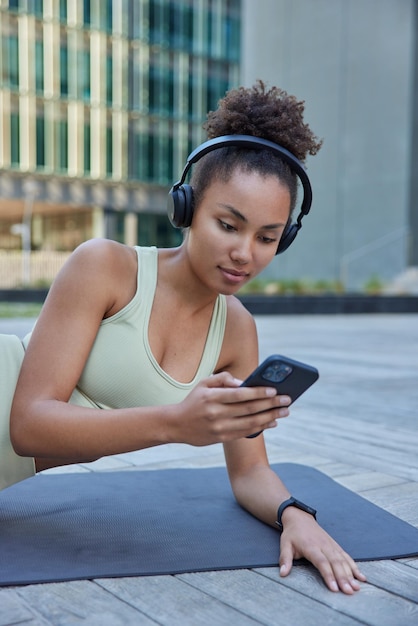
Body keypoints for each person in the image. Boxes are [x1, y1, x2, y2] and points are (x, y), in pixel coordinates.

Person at [2, 80, 366, 594]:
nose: (245, 252)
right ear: (187, 207)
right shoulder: (105, 266)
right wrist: (177, 423)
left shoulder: (237, 332)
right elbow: (29, 426)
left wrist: (294, 516)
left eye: (266, 237)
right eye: (228, 224)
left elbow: (248, 472)